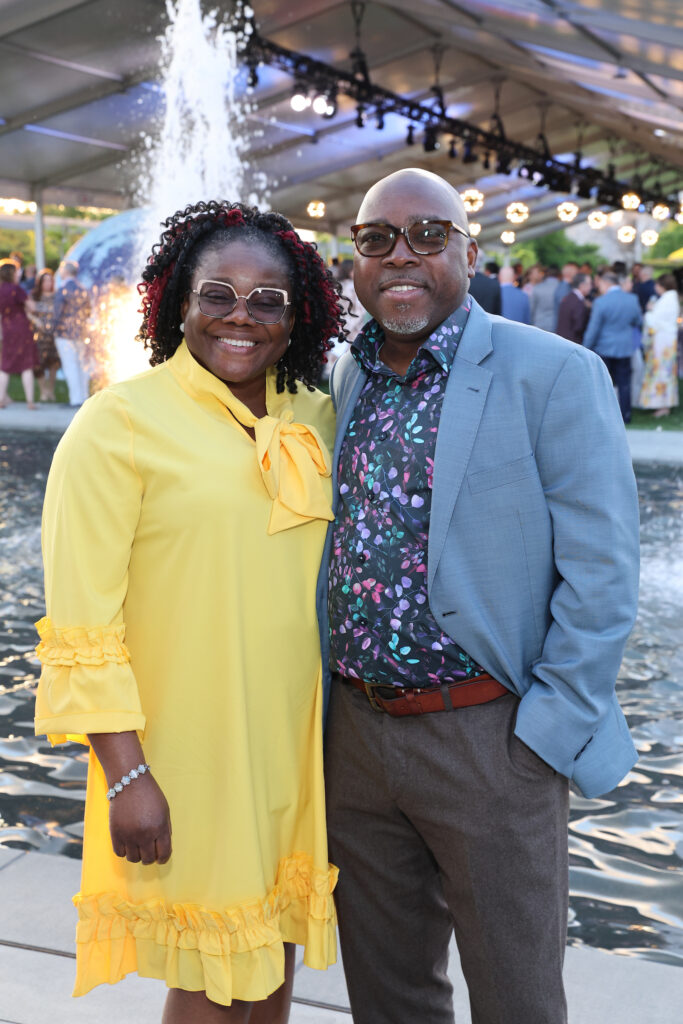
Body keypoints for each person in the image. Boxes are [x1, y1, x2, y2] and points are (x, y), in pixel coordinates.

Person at [319, 168, 640, 1024]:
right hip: (353, 734)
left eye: (427, 234)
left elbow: (604, 571)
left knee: (517, 999)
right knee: (386, 996)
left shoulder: (552, 372)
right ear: (355, 258)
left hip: (490, 738)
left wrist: (545, 731)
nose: (401, 255)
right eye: (377, 238)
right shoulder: (338, 383)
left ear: (468, 248)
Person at [34, 200, 345, 1022]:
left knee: (271, 960)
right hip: (186, 754)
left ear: (297, 314)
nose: (239, 316)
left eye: (266, 299)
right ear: (178, 300)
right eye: (217, 293)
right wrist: (126, 774)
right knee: (211, 980)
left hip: (291, 751)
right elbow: (80, 624)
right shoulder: (117, 426)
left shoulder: (311, 417)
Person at [583, 269, 643, 423]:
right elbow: (638, 321)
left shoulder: (601, 301)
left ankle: (603, 416)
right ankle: (626, 415)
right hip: (624, 347)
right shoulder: (632, 299)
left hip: (604, 347)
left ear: (605, 283)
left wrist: (585, 347)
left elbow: (593, 328)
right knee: (624, 383)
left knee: (603, 383)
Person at [639, 272, 680, 418]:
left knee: (661, 371)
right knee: (665, 371)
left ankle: (662, 405)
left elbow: (654, 321)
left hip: (663, 341)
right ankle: (663, 403)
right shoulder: (670, 298)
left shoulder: (667, 299)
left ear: (662, 285)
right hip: (666, 340)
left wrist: (649, 311)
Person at [53, 259, 92, 406]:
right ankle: (84, 397)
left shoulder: (62, 289)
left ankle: (75, 399)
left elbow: (57, 313)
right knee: (82, 365)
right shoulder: (82, 288)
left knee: (70, 366)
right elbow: (88, 311)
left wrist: (53, 329)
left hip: (64, 333)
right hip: (81, 332)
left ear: (66, 271)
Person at [0, 257, 38, 409]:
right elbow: (32, 307)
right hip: (21, 328)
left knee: (5, 365)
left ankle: (1, 398)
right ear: (12, 274)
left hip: (7, 328)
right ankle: (30, 401)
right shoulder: (17, 289)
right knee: (26, 364)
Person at [27, 268, 59, 402]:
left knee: (54, 363)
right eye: (45, 280)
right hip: (39, 335)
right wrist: (36, 321)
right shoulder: (33, 295)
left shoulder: (57, 296)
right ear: (39, 282)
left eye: (50, 280)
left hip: (54, 334)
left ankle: (51, 391)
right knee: (39, 363)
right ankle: (43, 391)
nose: (47, 283)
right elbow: (27, 311)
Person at [555, 271, 591, 343]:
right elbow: (579, 327)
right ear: (581, 285)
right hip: (573, 342)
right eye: (589, 284)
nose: (591, 287)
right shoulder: (578, 302)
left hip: (562, 340)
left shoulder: (568, 298)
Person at [530, 263, 560, 331]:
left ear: (547, 274)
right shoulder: (561, 289)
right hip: (555, 325)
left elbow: (532, 309)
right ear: (559, 274)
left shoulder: (537, 287)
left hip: (538, 324)